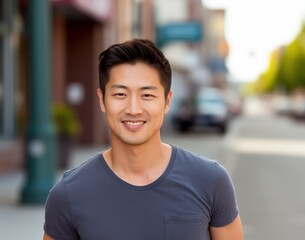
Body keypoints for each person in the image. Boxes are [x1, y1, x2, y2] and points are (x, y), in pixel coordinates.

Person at [43, 38, 243, 240]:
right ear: (102, 100)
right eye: (120, 94)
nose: (133, 109)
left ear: (167, 102)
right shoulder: (68, 195)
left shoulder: (210, 180)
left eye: (147, 95)